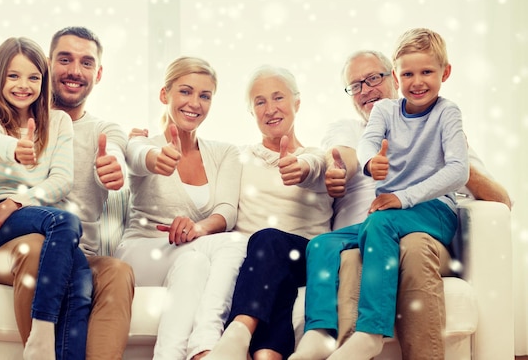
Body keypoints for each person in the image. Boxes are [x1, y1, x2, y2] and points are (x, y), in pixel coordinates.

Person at [0, 27, 135, 360]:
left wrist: (117, 165)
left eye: (87, 62)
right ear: (49, 65)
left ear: (99, 73)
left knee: (117, 272)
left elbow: (121, 153)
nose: (75, 71)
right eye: (65, 59)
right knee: (34, 246)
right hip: (15, 250)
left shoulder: (102, 131)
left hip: (77, 252)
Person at [290, 43, 511, 360]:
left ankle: (374, 338)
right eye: (356, 85)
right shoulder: (352, 128)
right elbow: (344, 154)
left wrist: (458, 155)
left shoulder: (443, 120)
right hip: (367, 230)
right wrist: (349, 166)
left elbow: (500, 198)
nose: (366, 90)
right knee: (327, 245)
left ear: (391, 79)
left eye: (373, 78)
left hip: (421, 229)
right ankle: (319, 335)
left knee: (412, 245)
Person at [0, 36, 89, 360]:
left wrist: (16, 201)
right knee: (67, 221)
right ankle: (41, 335)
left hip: (31, 215)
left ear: (43, 82)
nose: (23, 85)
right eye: (13, 76)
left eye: (33, 77)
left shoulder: (58, 121)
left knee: (82, 274)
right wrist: (14, 149)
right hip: (2, 227)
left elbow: (62, 180)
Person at [114, 56, 246, 360]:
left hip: (190, 252)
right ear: (165, 95)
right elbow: (137, 156)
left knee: (195, 264)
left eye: (205, 95)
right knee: (233, 243)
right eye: (185, 91)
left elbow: (227, 210)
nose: (195, 103)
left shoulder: (225, 152)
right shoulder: (143, 144)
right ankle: (206, 343)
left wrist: (197, 228)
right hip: (141, 252)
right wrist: (154, 158)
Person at [204, 65, 333, 360]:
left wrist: (300, 168)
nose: (270, 109)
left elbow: (314, 167)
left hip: (306, 255)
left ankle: (237, 334)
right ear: (251, 112)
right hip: (258, 263)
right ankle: (267, 356)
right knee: (274, 276)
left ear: (296, 104)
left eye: (278, 98)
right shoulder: (238, 157)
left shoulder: (318, 157)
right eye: (260, 102)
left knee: (269, 241)